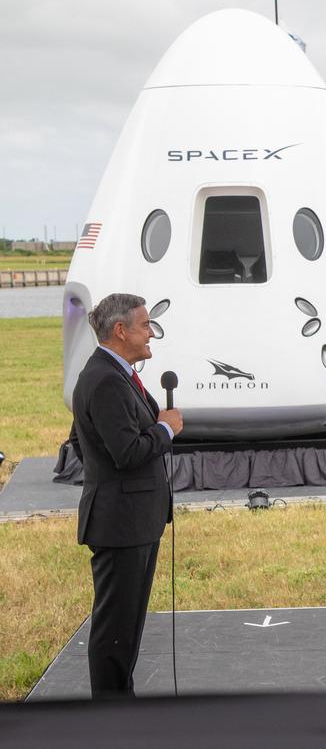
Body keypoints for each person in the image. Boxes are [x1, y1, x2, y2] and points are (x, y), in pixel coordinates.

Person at [71, 293, 183, 698]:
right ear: (121, 331)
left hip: (133, 516)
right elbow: (127, 452)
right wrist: (166, 429)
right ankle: (111, 713)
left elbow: (80, 441)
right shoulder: (103, 379)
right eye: (145, 325)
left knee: (127, 621)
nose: (151, 332)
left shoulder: (113, 374)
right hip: (121, 522)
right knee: (116, 625)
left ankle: (121, 702)